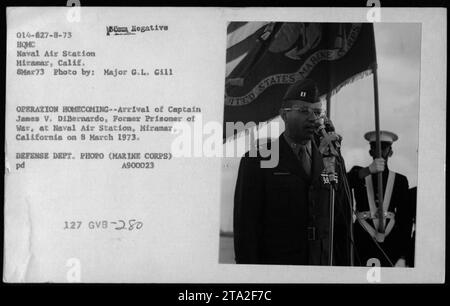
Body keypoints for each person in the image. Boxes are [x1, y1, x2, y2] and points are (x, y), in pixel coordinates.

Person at [233, 79, 352, 265]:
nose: (313, 118)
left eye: (317, 112)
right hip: (278, 267)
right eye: (303, 111)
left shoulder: (332, 159)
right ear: (284, 115)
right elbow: (246, 231)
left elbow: (343, 224)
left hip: (322, 266)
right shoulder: (257, 160)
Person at [348, 131, 413, 267]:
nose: (379, 151)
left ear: (390, 152)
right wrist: (368, 170)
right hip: (362, 236)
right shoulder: (359, 173)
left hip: (390, 239)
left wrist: (402, 253)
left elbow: (405, 218)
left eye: (384, 147)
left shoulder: (400, 180)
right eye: (375, 148)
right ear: (370, 152)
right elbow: (344, 182)